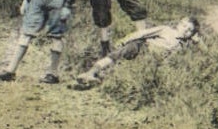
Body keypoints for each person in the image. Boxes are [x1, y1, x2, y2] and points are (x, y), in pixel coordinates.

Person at [72, 16, 200, 88]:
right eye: (184, 26)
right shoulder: (166, 30)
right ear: (178, 24)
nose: (185, 31)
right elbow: (142, 33)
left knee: (132, 71)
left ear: (192, 34)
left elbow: (203, 51)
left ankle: (100, 80)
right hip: (143, 47)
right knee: (119, 54)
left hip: (154, 60)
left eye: (189, 30)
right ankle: (91, 73)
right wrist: (125, 39)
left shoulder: (184, 46)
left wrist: (197, 41)